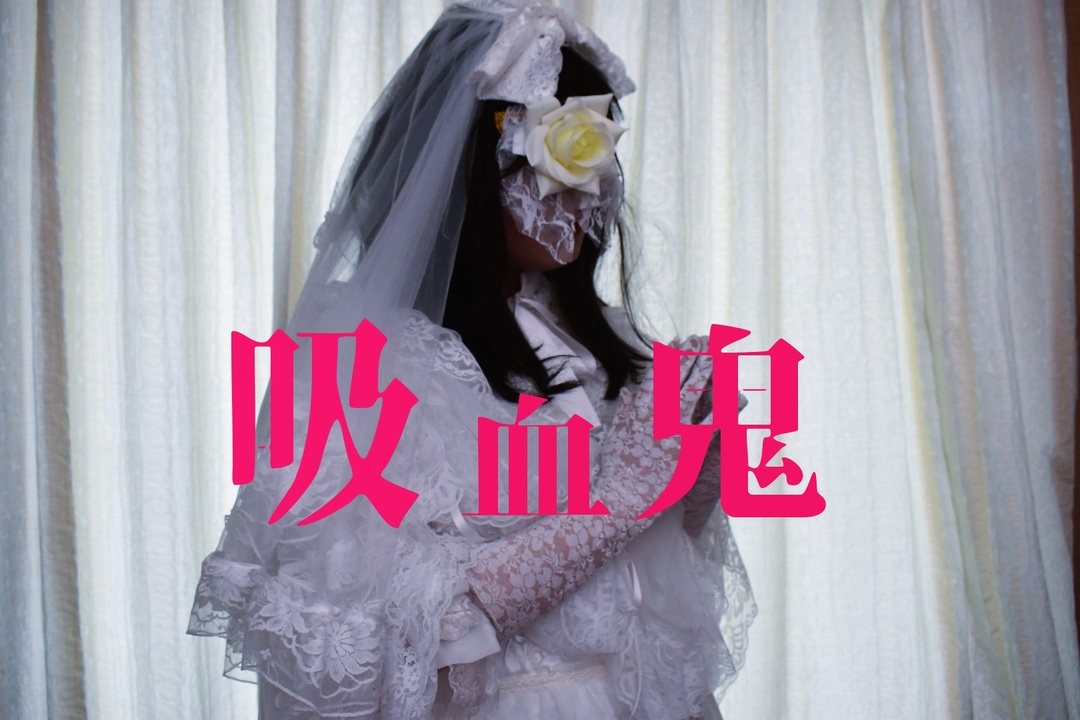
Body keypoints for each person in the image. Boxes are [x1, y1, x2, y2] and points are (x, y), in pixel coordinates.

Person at [188, 2, 755, 718]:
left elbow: (645, 589)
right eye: (559, 159)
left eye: (596, 155)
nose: (585, 189)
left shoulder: (596, 340)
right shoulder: (365, 365)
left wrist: (692, 470)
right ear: (472, 170)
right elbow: (382, 650)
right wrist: (612, 510)